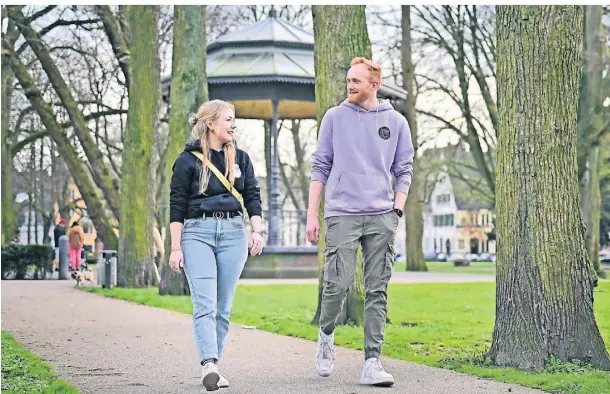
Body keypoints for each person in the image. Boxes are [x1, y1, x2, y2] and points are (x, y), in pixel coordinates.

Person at [306, 57, 414, 387]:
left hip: (382, 215)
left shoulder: (395, 122)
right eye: (348, 80)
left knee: (377, 289)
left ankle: (372, 362)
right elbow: (320, 165)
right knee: (336, 285)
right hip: (342, 213)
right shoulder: (334, 117)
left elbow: (404, 169)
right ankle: (326, 337)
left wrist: (396, 210)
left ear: (374, 85)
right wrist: (312, 214)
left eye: (356, 81)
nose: (350, 85)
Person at [168, 99, 264, 391]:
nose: (234, 124)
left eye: (234, 120)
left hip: (234, 233)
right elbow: (177, 205)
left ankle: (215, 365)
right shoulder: (187, 161)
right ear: (210, 123)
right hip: (198, 233)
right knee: (205, 305)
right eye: (229, 119)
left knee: (223, 307)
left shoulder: (242, 159)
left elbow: (252, 196)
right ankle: (208, 363)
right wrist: (175, 247)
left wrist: (256, 230)